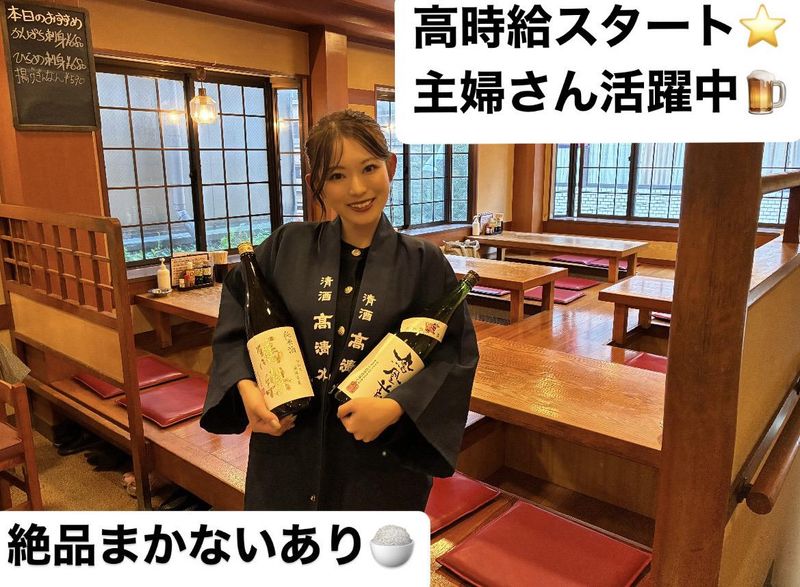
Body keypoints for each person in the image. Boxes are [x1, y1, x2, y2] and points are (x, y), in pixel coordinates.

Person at [200, 109, 479, 510]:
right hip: (286, 456)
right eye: (336, 176)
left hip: (378, 467)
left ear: (390, 166)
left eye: (369, 168)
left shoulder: (424, 263)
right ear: (316, 184)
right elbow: (236, 320)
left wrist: (395, 406)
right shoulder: (285, 247)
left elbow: (454, 355)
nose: (357, 188)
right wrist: (247, 389)